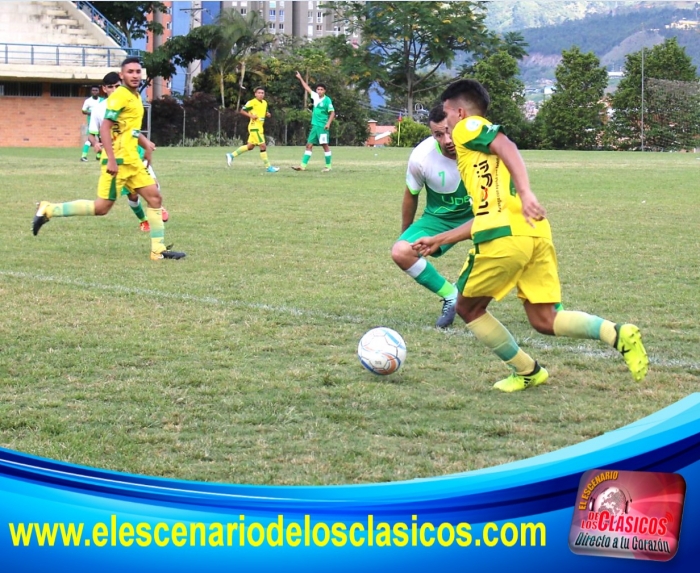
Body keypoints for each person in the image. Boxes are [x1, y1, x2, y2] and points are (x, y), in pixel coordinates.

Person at [412, 79, 648, 392]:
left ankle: (527, 371)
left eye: (446, 118)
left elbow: (506, 145)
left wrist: (525, 191)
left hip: (505, 239)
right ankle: (616, 334)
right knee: (545, 319)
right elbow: (490, 212)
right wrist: (441, 239)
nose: (445, 129)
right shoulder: (480, 158)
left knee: (468, 308)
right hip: (532, 233)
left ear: (458, 112)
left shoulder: (469, 128)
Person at [32, 57, 186, 261]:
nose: (134, 75)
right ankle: (48, 209)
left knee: (155, 198)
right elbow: (105, 128)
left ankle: (157, 250)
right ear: (122, 75)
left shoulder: (135, 96)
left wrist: (146, 145)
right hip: (119, 163)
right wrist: (111, 159)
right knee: (101, 208)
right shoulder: (119, 96)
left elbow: (128, 128)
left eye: (138, 71)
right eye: (130, 72)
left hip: (132, 161)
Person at [392, 105, 473, 328]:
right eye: (439, 134)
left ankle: (552, 308)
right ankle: (451, 295)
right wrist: (405, 234)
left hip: (482, 214)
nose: (447, 140)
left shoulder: (482, 149)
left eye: (450, 131)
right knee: (401, 251)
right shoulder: (421, 157)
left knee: (517, 246)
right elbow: (411, 194)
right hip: (440, 218)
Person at [87, 71, 169, 232]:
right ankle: (143, 220)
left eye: (117, 86)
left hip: (134, 153)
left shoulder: (131, 99)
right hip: (117, 157)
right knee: (128, 197)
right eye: (110, 87)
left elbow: (132, 130)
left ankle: (157, 238)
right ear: (104, 89)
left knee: (154, 187)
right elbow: (96, 131)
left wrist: (146, 144)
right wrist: (97, 144)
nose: (114, 89)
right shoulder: (99, 109)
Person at [225, 86, 279, 172]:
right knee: (263, 145)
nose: (261, 94)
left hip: (260, 127)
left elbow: (262, 112)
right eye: (259, 93)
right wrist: (251, 116)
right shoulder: (252, 102)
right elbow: (242, 110)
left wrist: (267, 114)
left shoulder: (264, 103)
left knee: (250, 147)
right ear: (255, 94)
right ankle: (268, 167)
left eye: (262, 93)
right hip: (254, 127)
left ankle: (231, 155)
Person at [291, 71, 335, 172]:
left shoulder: (327, 100)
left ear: (325, 91)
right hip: (315, 126)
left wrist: (328, 123)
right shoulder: (315, 97)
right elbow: (307, 88)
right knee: (309, 145)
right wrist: (300, 78)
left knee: (324, 145)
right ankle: (302, 166)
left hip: (322, 126)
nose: (319, 91)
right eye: (318, 89)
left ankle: (328, 166)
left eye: (321, 90)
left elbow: (332, 113)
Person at [81, 85, 102, 162]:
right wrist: (92, 112)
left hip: (101, 124)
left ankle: (98, 156)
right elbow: (83, 111)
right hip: (92, 123)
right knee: (90, 139)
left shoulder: (102, 100)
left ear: (99, 91)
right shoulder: (88, 101)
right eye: (93, 90)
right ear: (91, 91)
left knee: (101, 139)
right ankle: (83, 156)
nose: (94, 92)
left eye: (96, 90)